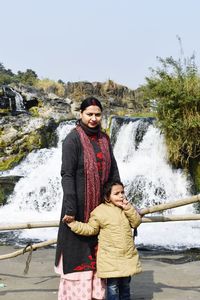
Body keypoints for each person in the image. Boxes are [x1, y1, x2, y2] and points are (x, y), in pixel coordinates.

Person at [55, 97, 120, 300]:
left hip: (101, 207)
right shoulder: (72, 140)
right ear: (81, 114)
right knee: (78, 254)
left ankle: (97, 296)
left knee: (100, 253)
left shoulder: (104, 139)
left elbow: (113, 169)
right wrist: (71, 208)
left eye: (97, 114)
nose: (93, 118)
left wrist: (118, 196)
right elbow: (67, 175)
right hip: (79, 207)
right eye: (89, 114)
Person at [67, 181, 142, 300]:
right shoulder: (99, 212)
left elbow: (136, 222)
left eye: (122, 192)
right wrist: (73, 224)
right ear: (107, 197)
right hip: (110, 258)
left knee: (125, 286)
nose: (121, 196)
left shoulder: (126, 208)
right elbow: (90, 229)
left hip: (127, 256)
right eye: (116, 193)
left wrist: (128, 208)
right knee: (112, 287)